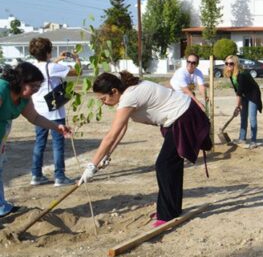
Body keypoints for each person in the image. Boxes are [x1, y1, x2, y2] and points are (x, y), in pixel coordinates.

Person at [78, 71, 211, 227]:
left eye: (104, 98)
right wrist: (106, 155)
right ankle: (169, 209)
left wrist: (91, 166)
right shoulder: (127, 94)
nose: (103, 102)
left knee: (164, 164)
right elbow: (121, 130)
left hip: (184, 116)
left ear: (114, 91)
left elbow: (111, 135)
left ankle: (168, 213)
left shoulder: (129, 96)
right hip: (180, 117)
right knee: (169, 164)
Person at [0, 63, 73, 216]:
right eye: (33, 86)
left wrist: (56, 127)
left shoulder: (24, 98)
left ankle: (1, 207)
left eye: (38, 87)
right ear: (20, 81)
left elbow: (34, 117)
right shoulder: (2, 90)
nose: (36, 90)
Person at [28, 37, 80, 187]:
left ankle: (36, 175)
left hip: (38, 112)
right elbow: (77, 72)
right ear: (48, 52)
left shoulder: (33, 67)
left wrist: (56, 59)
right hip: (55, 112)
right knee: (58, 144)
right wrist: (76, 59)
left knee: (40, 143)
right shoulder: (53, 68)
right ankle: (60, 176)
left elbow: (47, 67)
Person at [223, 55, 262, 149]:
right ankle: (242, 138)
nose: (229, 65)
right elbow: (237, 90)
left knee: (252, 118)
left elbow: (239, 92)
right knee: (243, 116)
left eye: (231, 63)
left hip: (253, 95)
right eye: (227, 63)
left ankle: (253, 141)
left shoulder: (241, 74)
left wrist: (237, 106)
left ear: (236, 64)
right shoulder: (231, 74)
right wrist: (239, 105)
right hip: (244, 95)